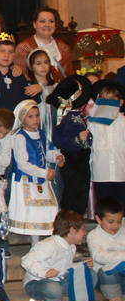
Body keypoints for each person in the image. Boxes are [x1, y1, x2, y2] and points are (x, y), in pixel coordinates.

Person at [9, 100, 64, 243]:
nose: (35, 120)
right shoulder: (20, 137)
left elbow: (48, 151)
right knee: (32, 212)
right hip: (26, 179)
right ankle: (35, 243)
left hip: (41, 179)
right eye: (30, 116)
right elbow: (22, 164)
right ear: (22, 119)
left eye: (37, 116)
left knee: (49, 209)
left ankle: (47, 243)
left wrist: (57, 157)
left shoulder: (41, 133)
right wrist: (44, 173)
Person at [22, 210, 96, 301]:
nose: (85, 233)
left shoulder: (71, 247)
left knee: (90, 275)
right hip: (38, 283)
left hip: (60, 280)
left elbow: (66, 267)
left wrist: (82, 266)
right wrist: (45, 272)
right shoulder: (49, 245)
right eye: (83, 230)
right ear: (73, 231)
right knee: (53, 289)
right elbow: (26, 261)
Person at [48, 75, 93, 215]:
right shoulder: (66, 118)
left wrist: (86, 137)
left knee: (80, 190)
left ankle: (76, 215)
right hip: (73, 160)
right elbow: (60, 140)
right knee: (73, 191)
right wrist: (78, 138)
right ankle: (70, 217)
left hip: (81, 159)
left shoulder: (75, 116)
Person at [87, 197, 125, 301]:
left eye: (119, 221)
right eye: (111, 222)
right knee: (107, 272)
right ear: (98, 219)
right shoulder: (93, 236)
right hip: (104, 279)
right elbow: (99, 256)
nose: (116, 226)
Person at [89, 79, 125, 207]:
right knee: (104, 207)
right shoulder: (93, 123)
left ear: (120, 102)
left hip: (121, 173)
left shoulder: (123, 122)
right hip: (101, 173)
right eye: (104, 101)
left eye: (112, 101)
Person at [15, 7, 73, 82]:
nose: (47, 25)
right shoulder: (24, 48)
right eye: (43, 21)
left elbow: (70, 76)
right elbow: (21, 77)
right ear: (34, 24)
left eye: (51, 21)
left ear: (55, 25)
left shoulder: (64, 48)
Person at [0, 32, 35, 113]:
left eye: (10, 52)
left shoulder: (18, 76)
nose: (6, 55)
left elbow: (27, 100)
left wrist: (36, 88)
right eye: (2, 51)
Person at [27, 49, 57, 142]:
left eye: (46, 62)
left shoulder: (56, 86)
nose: (43, 66)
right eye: (38, 63)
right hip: (38, 127)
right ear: (31, 67)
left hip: (54, 126)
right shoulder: (29, 87)